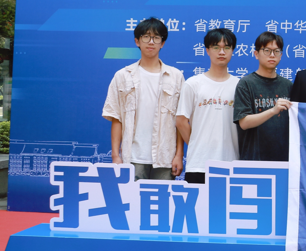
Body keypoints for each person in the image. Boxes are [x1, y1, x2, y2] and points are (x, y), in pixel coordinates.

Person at [102, 17, 184, 180]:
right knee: (132, 197)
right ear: (137, 41)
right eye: (146, 37)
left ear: (163, 43)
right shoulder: (122, 76)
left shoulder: (176, 76)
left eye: (156, 37)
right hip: (132, 157)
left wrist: (179, 155)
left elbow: (180, 120)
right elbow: (116, 118)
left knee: (162, 197)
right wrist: (115, 155)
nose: (151, 42)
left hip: (165, 158)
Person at [175, 28, 240, 183]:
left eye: (227, 47)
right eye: (216, 47)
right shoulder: (193, 84)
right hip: (199, 164)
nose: (221, 52)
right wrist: (197, 144)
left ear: (233, 51)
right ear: (207, 50)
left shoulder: (240, 85)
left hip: (230, 163)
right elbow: (181, 121)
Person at [233, 31, 292, 162]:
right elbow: (244, 123)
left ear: (281, 55)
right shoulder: (246, 84)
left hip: (283, 161)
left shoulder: (288, 85)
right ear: (256, 54)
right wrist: (273, 110)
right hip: (253, 160)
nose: (272, 55)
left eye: (276, 51)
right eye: (267, 50)